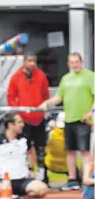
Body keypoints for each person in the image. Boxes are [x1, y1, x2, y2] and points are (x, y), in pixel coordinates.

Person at [40, 53, 94, 191]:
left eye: (77, 62)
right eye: (72, 62)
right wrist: (47, 103)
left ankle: (86, 178)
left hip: (83, 120)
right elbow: (59, 97)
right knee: (70, 151)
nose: (75, 64)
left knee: (85, 151)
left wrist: (91, 111)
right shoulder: (66, 79)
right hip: (68, 119)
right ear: (68, 64)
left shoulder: (90, 76)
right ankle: (72, 179)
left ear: (81, 62)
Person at [7, 53, 50, 181]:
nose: (32, 64)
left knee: (41, 147)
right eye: (30, 61)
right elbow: (10, 97)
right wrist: (18, 112)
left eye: (34, 61)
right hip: (24, 120)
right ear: (24, 61)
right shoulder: (16, 77)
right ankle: (26, 174)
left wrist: (44, 109)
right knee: (25, 148)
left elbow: (46, 95)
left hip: (38, 118)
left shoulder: (41, 75)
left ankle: (43, 175)